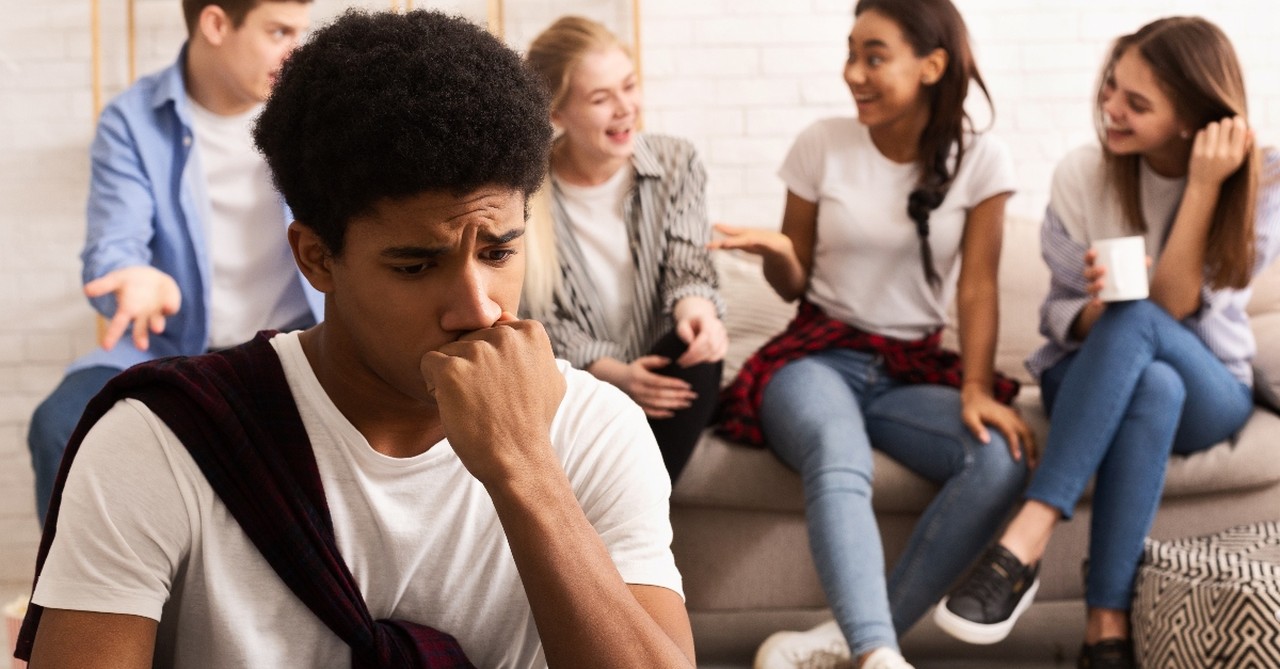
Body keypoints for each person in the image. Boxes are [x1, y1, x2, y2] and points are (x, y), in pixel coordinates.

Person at [17, 10, 695, 668]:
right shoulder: (156, 444)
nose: (476, 308)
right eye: (415, 265)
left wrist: (526, 470)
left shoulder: (598, 431)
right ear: (315, 258)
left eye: (498, 251)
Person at [934, 16, 1280, 669]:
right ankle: (1105, 627)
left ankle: (1024, 541)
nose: (1110, 110)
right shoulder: (1082, 174)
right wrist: (1099, 307)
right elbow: (1062, 316)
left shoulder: (1258, 182)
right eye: (1111, 88)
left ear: (1191, 118)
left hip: (1213, 389)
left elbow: (1174, 306)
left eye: (1137, 103)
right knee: (1149, 374)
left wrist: (1204, 186)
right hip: (1089, 373)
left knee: (1146, 322)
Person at [710, 1, 1033, 667]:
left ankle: (842, 638)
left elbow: (977, 287)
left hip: (909, 371)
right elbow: (792, 283)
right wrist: (775, 249)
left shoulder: (981, 161)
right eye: (850, 53)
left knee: (998, 456)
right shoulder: (821, 144)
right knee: (837, 445)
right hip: (816, 357)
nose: (852, 72)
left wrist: (975, 386)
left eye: (874, 56)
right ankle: (877, 653)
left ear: (932, 65)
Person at [26, 0, 321, 526]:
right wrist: (134, 276)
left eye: (299, 32)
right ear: (215, 24)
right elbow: (113, 244)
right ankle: (71, 606)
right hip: (169, 346)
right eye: (279, 32)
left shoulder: (312, 113)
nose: (294, 52)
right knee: (58, 423)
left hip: (292, 346)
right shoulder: (133, 121)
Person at [522, 16, 727, 483]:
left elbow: (687, 262)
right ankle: (634, 537)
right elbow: (538, 316)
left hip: (666, 378)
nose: (625, 108)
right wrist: (618, 374)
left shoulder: (677, 162)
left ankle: (627, 531)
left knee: (700, 348)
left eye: (629, 86)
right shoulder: (526, 191)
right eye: (600, 98)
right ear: (556, 114)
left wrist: (699, 311)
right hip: (581, 384)